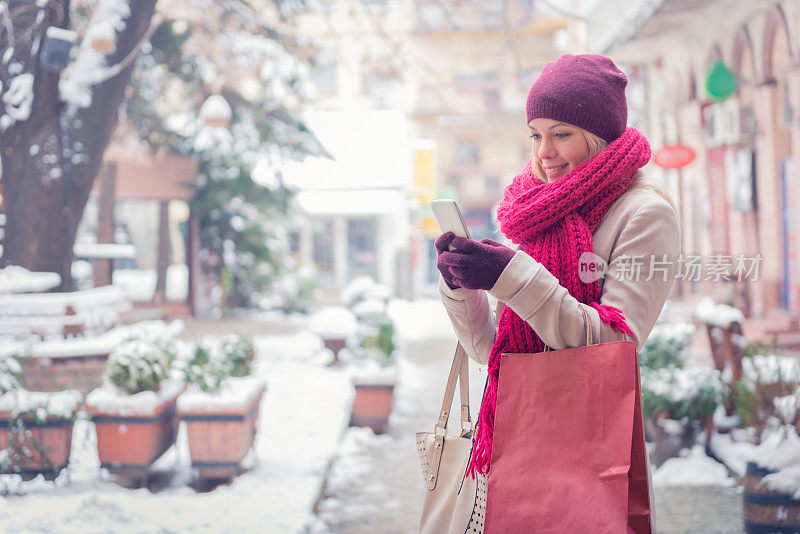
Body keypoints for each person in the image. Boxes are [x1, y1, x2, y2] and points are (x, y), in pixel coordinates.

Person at [434, 54, 682, 479]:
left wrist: (508, 276)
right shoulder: (537, 211)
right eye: (535, 135)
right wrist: (461, 285)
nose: (544, 152)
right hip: (516, 441)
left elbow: (613, 343)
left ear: (598, 135)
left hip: (588, 449)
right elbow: (493, 351)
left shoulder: (645, 215)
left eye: (561, 134)